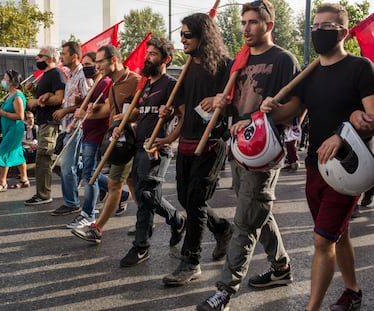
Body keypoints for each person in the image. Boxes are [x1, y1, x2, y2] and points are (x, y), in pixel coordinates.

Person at [258, 3, 374, 310]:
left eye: (327, 27)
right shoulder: (309, 74)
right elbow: (293, 112)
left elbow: (372, 117)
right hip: (315, 168)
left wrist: (342, 133)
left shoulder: (360, 68)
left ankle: (312, 308)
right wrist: (271, 107)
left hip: (348, 170)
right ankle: (353, 291)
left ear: (344, 32)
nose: (318, 32)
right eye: (315, 26)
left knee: (322, 241)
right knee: (339, 233)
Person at [197, 1, 300, 309]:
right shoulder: (239, 61)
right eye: (243, 22)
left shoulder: (283, 59)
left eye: (253, 22)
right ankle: (280, 267)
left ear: (269, 25)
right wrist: (218, 101)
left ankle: (225, 291)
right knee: (257, 209)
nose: (246, 28)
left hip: (264, 150)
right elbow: (234, 101)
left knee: (244, 220)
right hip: (238, 147)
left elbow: (297, 107)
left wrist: (262, 117)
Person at [160, 13, 234, 287]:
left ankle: (191, 261)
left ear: (204, 36)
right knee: (186, 198)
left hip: (211, 143)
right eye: (181, 35)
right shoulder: (187, 67)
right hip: (187, 142)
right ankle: (223, 228)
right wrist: (168, 113)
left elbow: (235, 102)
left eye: (187, 35)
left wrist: (219, 100)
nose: (182, 39)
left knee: (195, 201)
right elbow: (181, 110)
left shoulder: (226, 66)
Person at [117, 37, 187, 267]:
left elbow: (184, 117)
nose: (148, 57)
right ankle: (171, 224)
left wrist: (167, 139)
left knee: (146, 193)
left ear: (166, 59)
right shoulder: (145, 84)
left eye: (153, 54)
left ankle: (142, 244)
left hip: (157, 149)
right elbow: (142, 113)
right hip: (138, 146)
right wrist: (124, 122)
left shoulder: (171, 85)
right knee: (143, 195)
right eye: (147, 53)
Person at [71, 44, 140, 243]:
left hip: (130, 140)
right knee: (130, 183)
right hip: (117, 140)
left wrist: (130, 117)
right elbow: (109, 109)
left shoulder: (136, 81)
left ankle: (97, 228)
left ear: (114, 60)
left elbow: (145, 111)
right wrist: (86, 113)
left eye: (100, 62)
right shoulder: (113, 84)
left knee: (115, 183)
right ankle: (150, 219)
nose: (97, 66)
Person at [65, 51, 112, 228]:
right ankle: (121, 195)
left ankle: (88, 213)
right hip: (88, 132)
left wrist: (90, 110)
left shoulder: (105, 83)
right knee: (90, 171)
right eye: (83, 65)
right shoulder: (94, 84)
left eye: (89, 64)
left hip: (97, 135)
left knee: (89, 174)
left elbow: (108, 107)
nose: (85, 68)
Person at [50, 41, 89, 216]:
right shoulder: (71, 75)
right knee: (74, 166)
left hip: (77, 127)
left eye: (64, 54)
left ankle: (72, 203)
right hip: (67, 127)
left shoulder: (83, 76)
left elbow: (88, 104)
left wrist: (66, 110)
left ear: (74, 56)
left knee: (67, 166)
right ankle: (117, 191)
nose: (61, 57)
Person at [24, 46, 66, 206]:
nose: (36, 59)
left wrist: (35, 102)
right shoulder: (45, 75)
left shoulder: (56, 74)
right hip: (43, 122)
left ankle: (43, 195)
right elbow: (44, 100)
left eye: (40, 56)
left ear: (49, 58)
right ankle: (87, 176)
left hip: (50, 122)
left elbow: (59, 99)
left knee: (43, 157)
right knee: (48, 158)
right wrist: (35, 92)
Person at [0, 69, 29, 192]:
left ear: (11, 81)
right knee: (18, 153)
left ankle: (2, 182)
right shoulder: (10, 95)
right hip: (9, 128)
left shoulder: (17, 96)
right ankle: (24, 179)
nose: (3, 81)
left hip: (15, 129)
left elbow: (20, 116)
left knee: (3, 152)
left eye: (5, 78)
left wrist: (2, 113)